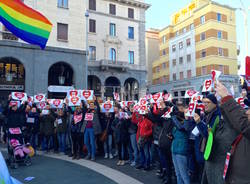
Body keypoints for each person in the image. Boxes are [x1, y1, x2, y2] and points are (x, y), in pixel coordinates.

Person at [194, 93, 237, 184]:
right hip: (209, 154)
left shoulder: (218, 116)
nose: (205, 104)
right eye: (204, 102)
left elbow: (210, 137)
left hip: (216, 156)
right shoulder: (208, 114)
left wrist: (199, 122)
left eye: (208, 102)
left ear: (215, 104)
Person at [216, 82, 250, 184]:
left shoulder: (246, 127)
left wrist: (227, 98)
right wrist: (222, 101)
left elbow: (242, 124)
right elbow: (233, 122)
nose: (247, 112)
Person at [171, 101, 192, 184]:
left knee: (184, 175)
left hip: (181, 150)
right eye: (178, 108)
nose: (178, 111)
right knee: (178, 174)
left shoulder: (188, 120)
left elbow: (183, 128)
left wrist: (174, 118)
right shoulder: (178, 119)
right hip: (174, 149)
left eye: (181, 108)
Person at [83, 96, 102, 161]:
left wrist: (95, 101)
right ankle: (89, 153)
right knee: (86, 142)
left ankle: (93, 155)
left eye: (92, 105)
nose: (91, 105)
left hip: (92, 129)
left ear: (94, 106)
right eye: (90, 105)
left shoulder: (96, 111)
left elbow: (98, 108)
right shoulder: (87, 110)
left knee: (92, 142)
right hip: (86, 129)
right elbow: (83, 107)